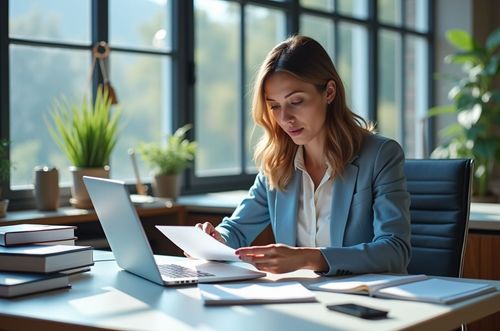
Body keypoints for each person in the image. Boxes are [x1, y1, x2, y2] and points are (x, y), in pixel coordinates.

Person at [196, 35, 411, 276]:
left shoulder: (380, 155)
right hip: (301, 300)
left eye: (296, 101)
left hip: (363, 301)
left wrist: (308, 258)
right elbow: (236, 229)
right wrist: (216, 238)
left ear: (329, 92)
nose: (285, 118)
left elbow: (395, 250)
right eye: (275, 106)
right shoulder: (277, 164)